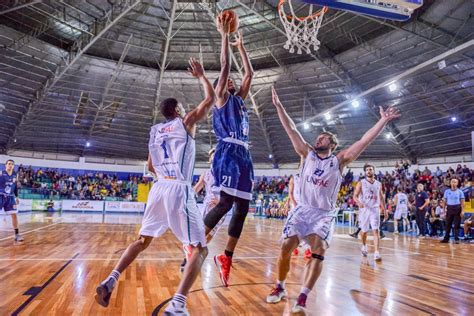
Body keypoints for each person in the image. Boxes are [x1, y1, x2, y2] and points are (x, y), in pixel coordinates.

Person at [94, 57, 216, 315]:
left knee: (141, 240)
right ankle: (178, 304)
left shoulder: (155, 131)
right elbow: (210, 101)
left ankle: (111, 279)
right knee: (200, 249)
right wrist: (203, 77)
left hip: (158, 188)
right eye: (182, 108)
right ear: (178, 110)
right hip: (177, 188)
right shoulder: (185, 123)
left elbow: (150, 166)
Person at [266, 87, 400, 313]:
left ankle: (302, 297)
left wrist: (383, 121)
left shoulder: (339, 160)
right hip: (302, 210)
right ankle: (279, 287)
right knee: (286, 248)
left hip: (323, 214)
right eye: (318, 137)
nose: (318, 138)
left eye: (323, 137)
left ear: (332, 144)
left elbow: (363, 141)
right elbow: (291, 129)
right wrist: (279, 106)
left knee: (318, 251)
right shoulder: (306, 153)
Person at [202, 15, 255, 287]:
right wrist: (223, 35)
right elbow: (224, 67)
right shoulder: (221, 97)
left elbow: (249, 75)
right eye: (228, 80)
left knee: (242, 208)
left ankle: (226, 256)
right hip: (227, 151)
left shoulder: (239, 100)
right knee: (224, 203)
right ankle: (196, 241)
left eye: (233, 80)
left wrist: (241, 47)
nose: (232, 80)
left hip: (244, 154)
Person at [179, 148, 225, 272]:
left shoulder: (226, 173)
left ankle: (191, 256)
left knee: (208, 238)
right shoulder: (206, 174)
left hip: (221, 208)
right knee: (201, 234)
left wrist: (221, 202)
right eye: (212, 156)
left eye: (217, 155)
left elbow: (231, 192)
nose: (214, 157)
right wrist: (187, 196)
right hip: (207, 207)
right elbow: (197, 188)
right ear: (209, 159)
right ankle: (189, 258)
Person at [353, 165, 385, 261]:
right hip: (364, 209)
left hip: (375, 209)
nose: (368, 171)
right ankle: (364, 245)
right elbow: (355, 196)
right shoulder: (361, 183)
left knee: (376, 230)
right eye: (367, 170)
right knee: (364, 231)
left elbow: (381, 197)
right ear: (365, 172)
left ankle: (376, 253)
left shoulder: (378, 184)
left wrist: (385, 209)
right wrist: (359, 202)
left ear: (374, 171)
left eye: (370, 169)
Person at [1, 159, 23, 242]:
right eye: (9, 164)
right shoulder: (1, 173)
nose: (10, 165)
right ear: (5, 165)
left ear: (13, 166)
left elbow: (15, 187)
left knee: (14, 215)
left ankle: (17, 235)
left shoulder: (15, 175)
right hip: (1, 195)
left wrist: (17, 196)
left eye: (12, 164)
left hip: (10, 197)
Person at [440, 178, 465, 244]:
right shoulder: (446, 191)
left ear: (457, 183)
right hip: (449, 208)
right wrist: (443, 211)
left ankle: (456, 238)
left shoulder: (460, 192)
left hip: (457, 208)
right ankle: (446, 238)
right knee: (448, 224)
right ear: (450, 183)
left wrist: (462, 211)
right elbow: (444, 202)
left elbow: (462, 202)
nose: (453, 183)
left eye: (455, 182)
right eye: (452, 182)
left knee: (457, 224)